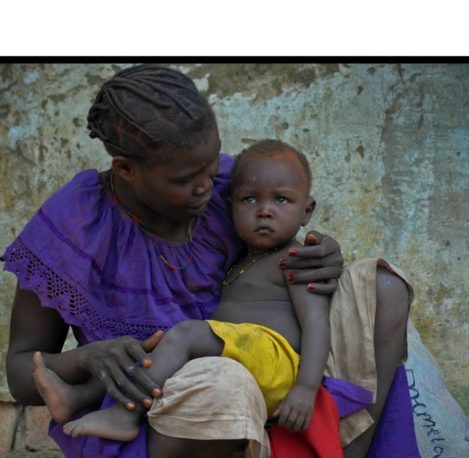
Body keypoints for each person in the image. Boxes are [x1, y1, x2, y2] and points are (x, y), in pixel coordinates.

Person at [2, 64, 432, 458]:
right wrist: (87, 357)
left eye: (212, 166)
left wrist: (324, 254)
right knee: (221, 384)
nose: (209, 186)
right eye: (186, 179)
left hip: (275, 402)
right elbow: (22, 373)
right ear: (126, 169)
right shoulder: (74, 224)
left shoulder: (232, 185)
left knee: (385, 291)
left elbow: (284, 240)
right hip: (158, 421)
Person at [35, 139, 330, 442]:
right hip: (234, 361)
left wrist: (306, 388)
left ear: (306, 211)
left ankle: (125, 415)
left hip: (274, 364)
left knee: (186, 334)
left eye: (281, 200)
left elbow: (316, 323)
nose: (264, 211)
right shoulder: (241, 258)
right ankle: (81, 396)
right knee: (152, 349)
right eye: (249, 199)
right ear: (230, 206)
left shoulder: (299, 260)